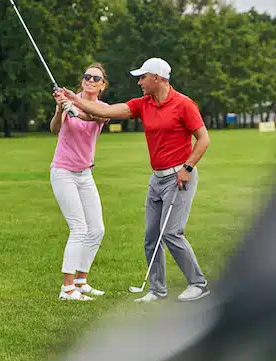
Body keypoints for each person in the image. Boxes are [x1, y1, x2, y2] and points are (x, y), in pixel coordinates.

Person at [60, 57, 211, 303]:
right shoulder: (143, 104)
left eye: (143, 77)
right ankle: (157, 290)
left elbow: (203, 139)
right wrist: (74, 98)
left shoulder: (184, 104)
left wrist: (187, 167)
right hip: (157, 179)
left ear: (158, 78)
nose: (139, 81)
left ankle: (198, 283)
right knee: (152, 237)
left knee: (171, 233)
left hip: (179, 177)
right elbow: (105, 111)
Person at [50, 63, 110, 301]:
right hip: (63, 172)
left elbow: (92, 117)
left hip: (85, 174)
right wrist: (59, 109)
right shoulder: (67, 102)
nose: (91, 80)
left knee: (97, 229)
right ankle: (67, 289)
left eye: (96, 78)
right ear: (82, 79)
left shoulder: (104, 109)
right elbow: (54, 129)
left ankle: (81, 281)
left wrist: (73, 103)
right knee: (79, 229)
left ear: (102, 85)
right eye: (87, 76)